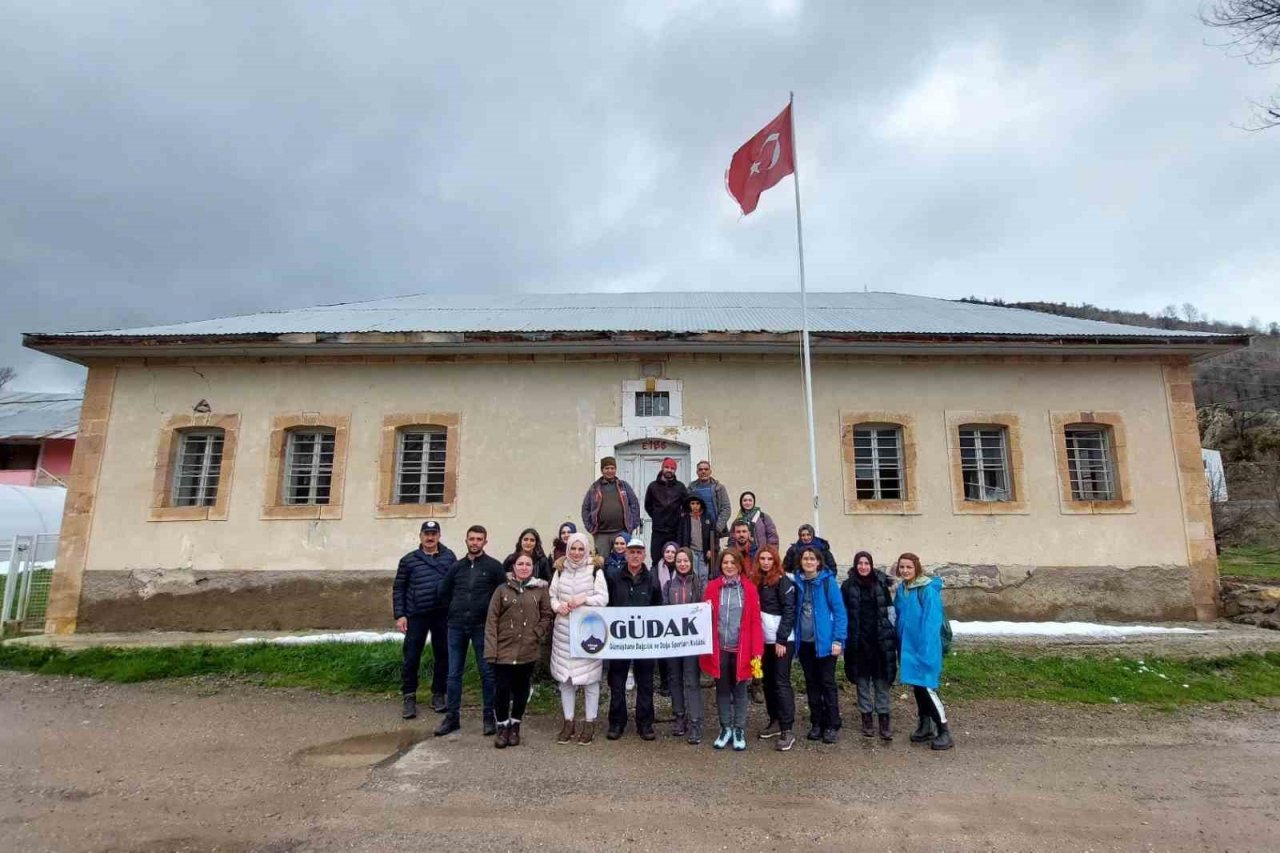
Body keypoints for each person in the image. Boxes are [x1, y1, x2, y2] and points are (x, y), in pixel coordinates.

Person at [435, 525, 507, 738]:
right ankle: (452, 717)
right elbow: (443, 592)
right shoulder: (457, 567)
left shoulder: (494, 567)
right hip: (456, 626)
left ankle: (488, 717)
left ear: (485, 542)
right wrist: (454, 609)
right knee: (453, 674)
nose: (475, 542)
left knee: (487, 673)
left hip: (482, 627)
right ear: (466, 540)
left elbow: (503, 595)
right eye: (471, 539)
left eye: (479, 539)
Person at [484, 553, 554, 748]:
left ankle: (515, 725)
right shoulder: (501, 590)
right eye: (520, 564)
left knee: (522, 690)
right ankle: (502, 726)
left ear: (533, 568)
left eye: (528, 564)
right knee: (502, 690)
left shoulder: (539, 590)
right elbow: (492, 620)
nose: (524, 567)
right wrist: (491, 649)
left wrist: (536, 633)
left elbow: (547, 615)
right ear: (513, 567)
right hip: (503, 650)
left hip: (527, 650)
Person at [392, 520, 457, 719]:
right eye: (426, 534)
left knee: (443, 655)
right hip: (416, 615)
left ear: (439, 536)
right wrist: (400, 614)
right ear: (420, 536)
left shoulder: (449, 557)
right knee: (411, 656)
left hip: (441, 614)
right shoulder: (408, 560)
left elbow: (455, 584)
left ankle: (439, 694)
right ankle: (409, 696)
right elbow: (399, 588)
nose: (430, 537)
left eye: (434, 533)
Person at [701, 549, 764, 751]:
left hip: (741, 649)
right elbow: (702, 618)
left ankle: (739, 728)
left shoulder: (749, 589)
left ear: (739, 565)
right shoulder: (712, 588)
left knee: (740, 690)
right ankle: (725, 727)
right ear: (720, 565)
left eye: (732, 563)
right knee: (722, 689)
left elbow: (755, 622)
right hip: (720, 648)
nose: (729, 566)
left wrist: (757, 652)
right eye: (725, 562)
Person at [549, 532, 609, 745]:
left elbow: (603, 598)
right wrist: (559, 606)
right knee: (566, 679)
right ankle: (568, 721)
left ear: (587, 550)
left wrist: (583, 599)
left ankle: (589, 722)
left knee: (590, 680)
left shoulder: (595, 571)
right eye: (573, 548)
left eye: (580, 549)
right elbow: (552, 596)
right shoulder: (560, 570)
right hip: (564, 631)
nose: (576, 553)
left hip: (588, 632)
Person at [605, 536, 663, 741]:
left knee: (645, 682)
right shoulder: (614, 577)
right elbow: (608, 606)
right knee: (617, 681)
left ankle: (645, 723)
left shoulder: (652, 579)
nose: (635, 555)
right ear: (626, 554)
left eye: (639, 552)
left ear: (644, 555)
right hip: (619, 641)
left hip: (644, 641)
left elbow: (658, 609)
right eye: (632, 552)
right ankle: (616, 722)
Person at [894, 552, 953, 750]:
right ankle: (925, 726)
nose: (905, 571)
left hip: (924, 649)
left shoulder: (927, 590)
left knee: (927, 689)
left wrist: (926, 651)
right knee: (918, 689)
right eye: (902, 567)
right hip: (908, 649)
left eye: (909, 567)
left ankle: (944, 730)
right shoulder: (903, 589)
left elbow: (932, 623)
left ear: (916, 568)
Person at [841, 551, 898, 741]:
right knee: (862, 681)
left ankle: (884, 718)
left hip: (880, 641)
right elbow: (843, 612)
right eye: (860, 563)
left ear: (871, 565)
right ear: (855, 565)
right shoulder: (848, 586)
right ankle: (866, 717)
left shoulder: (881, 584)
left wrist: (890, 631)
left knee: (882, 681)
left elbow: (889, 610)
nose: (863, 567)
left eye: (866, 563)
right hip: (858, 641)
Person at [793, 547, 847, 744]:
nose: (808, 562)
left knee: (827, 684)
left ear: (818, 562)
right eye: (805, 558)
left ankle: (832, 723)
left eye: (812, 559)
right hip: (806, 643)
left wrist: (838, 639)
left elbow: (840, 612)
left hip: (825, 643)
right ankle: (816, 722)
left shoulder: (827, 582)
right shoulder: (797, 582)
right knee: (811, 684)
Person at [755, 544, 797, 751]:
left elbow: (789, 610)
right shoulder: (757, 581)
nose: (765, 562)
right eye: (762, 558)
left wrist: (781, 639)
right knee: (767, 682)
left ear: (775, 560)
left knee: (781, 682)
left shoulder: (783, 581)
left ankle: (787, 729)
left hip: (782, 641)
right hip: (763, 641)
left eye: (769, 559)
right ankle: (775, 719)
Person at [663, 547, 706, 744]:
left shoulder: (698, 584)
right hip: (673, 641)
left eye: (685, 561)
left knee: (691, 680)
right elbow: (663, 612)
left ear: (690, 562)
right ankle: (679, 716)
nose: (682, 564)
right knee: (674, 679)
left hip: (691, 642)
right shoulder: (668, 585)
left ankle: (696, 721)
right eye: (679, 561)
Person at [581, 456, 641, 557]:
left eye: (612, 468)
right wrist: (590, 527)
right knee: (602, 563)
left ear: (615, 469)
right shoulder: (595, 488)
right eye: (607, 468)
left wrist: (632, 525)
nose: (610, 471)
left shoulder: (623, 486)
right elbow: (585, 508)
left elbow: (634, 504)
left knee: (623, 562)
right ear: (602, 470)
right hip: (601, 534)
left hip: (622, 532)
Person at [644, 457, 687, 564]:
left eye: (672, 468)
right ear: (662, 467)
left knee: (675, 559)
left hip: (675, 531)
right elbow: (648, 505)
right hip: (658, 531)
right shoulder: (653, 486)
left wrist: (679, 517)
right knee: (656, 559)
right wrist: (657, 516)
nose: (669, 470)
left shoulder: (680, 487)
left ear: (675, 470)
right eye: (667, 467)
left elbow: (686, 505)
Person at [686, 460, 732, 540]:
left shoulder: (719, 488)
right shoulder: (691, 488)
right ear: (697, 472)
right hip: (696, 530)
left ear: (710, 471)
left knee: (713, 552)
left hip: (713, 530)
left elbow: (726, 508)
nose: (703, 472)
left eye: (706, 469)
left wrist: (718, 528)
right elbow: (686, 508)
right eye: (700, 470)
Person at [677, 494, 717, 580]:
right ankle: (694, 593)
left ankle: (704, 593)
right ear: (689, 504)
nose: (695, 506)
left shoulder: (707, 517)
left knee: (704, 575)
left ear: (701, 504)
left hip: (704, 552)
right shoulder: (685, 518)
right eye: (692, 503)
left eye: (698, 503)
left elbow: (713, 535)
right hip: (691, 551)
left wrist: (711, 549)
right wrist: (682, 550)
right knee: (693, 575)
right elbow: (680, 535)